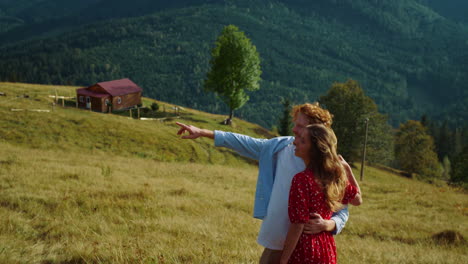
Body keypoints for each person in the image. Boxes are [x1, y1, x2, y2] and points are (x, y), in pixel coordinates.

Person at [176, 103, 355, 264]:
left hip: (308, 244)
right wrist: (203, 132)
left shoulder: (330, 166)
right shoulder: (280, 148)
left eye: (300, 126)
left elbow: (343, 208)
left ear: (316, 132)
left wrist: (329, 224)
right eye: (295, 124)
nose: (294, 130)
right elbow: (243, 142)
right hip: (278, 235)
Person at [280, 124, 362, 264]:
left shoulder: (302, 179)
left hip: (305, 249)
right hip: (326, 249)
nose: (295, 141)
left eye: (303, 140)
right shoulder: (332, 178)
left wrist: (283, 260)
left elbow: (298, 225)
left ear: (314, 151)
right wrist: (347, 170)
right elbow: (357, 199)